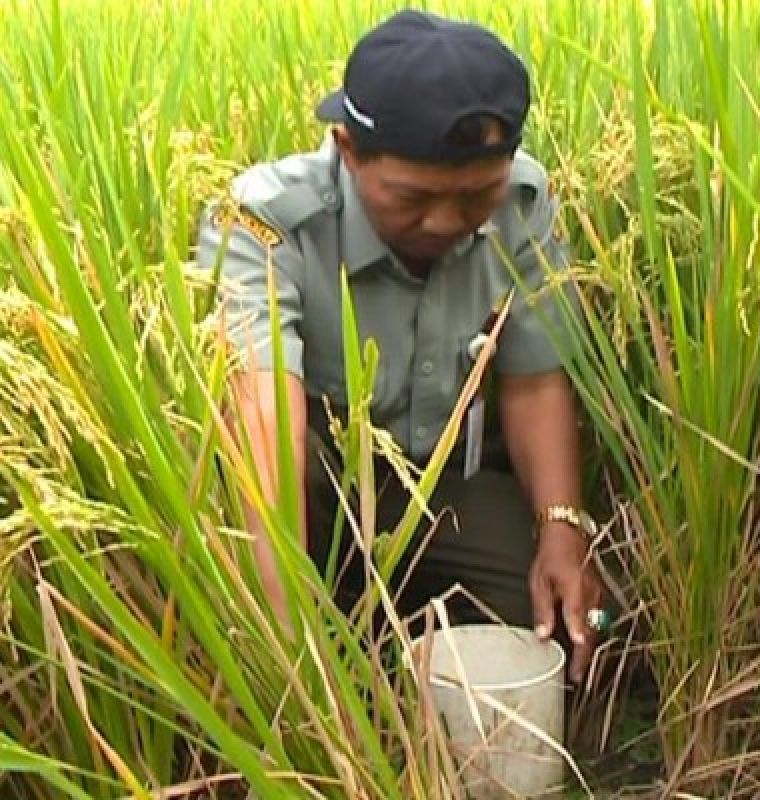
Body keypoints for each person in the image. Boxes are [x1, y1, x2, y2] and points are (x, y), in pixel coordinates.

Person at [195, 10, 608, 682]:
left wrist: (564, 527)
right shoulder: (267, 220)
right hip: (320, 486)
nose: (445, 222)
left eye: (477, 195)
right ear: (348, 150)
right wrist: (288, 652)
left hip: (448, 485)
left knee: (546, 629)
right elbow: (263, 429)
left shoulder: (524, 200)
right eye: (413, 197)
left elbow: (534, 379)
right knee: (288, 610)